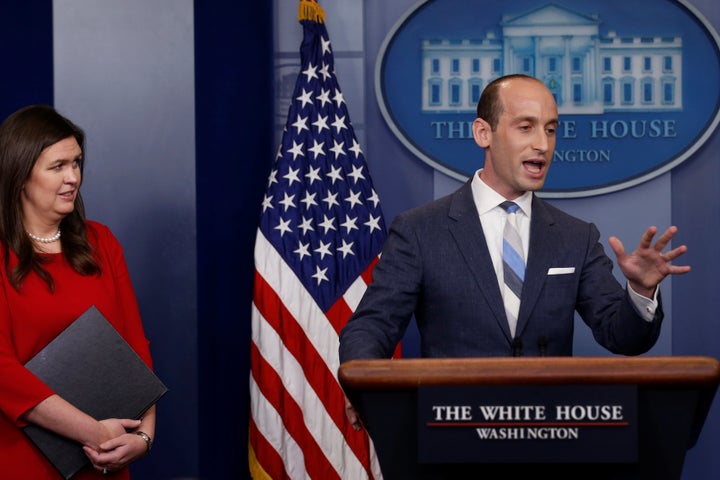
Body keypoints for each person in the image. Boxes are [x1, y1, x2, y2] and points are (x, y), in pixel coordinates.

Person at [339, 74, 690, 427]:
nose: (543, 144)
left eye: (551, 130)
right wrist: (366, 386)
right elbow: (372, 327)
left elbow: (623, 336)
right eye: (526, 127)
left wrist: (642, 290)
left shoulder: (575, 237)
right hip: (451, 435)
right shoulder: (420, 230)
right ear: (483, 133)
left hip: (550, 438)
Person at [0, 105, 156, 479]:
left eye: (77, 163)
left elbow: (135, 344)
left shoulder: (101, 241)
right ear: (20, 175)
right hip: (24, 459)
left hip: (111, 456)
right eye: (58, 166)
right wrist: (94, 432)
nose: (73, 177)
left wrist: (145, 437)